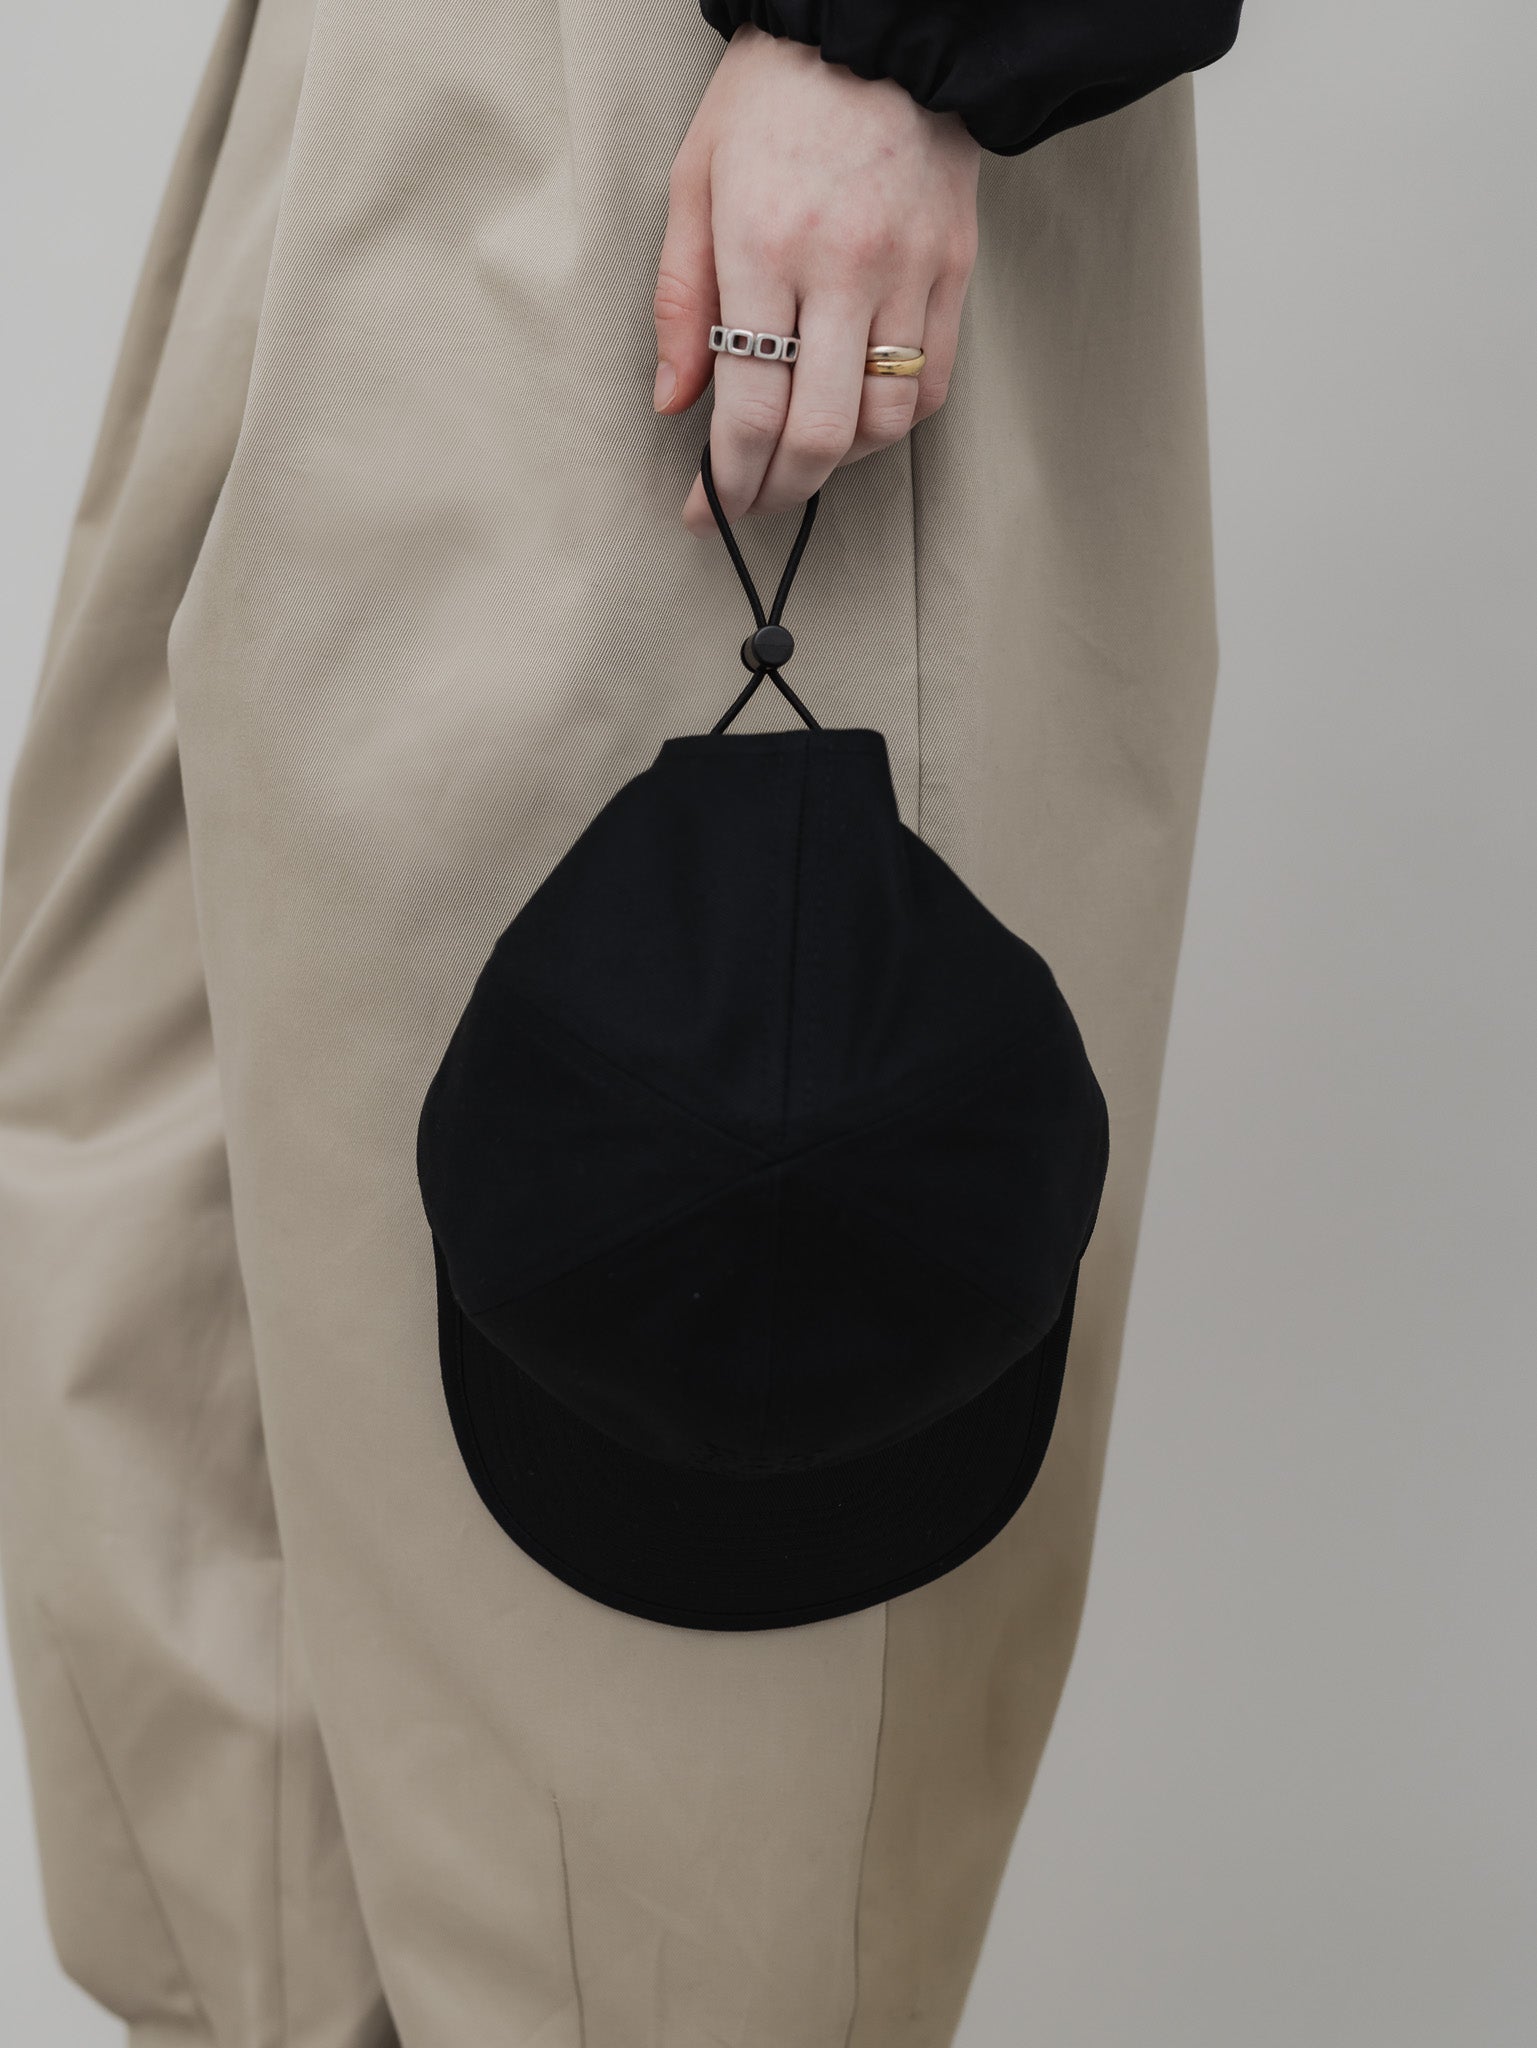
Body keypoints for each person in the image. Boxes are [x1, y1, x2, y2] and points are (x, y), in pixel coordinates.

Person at [0, 4, 1243, 2043]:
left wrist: (888, 42)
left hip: (731, 104)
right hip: (368, 79)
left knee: (659, 1676)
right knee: (171, 1383)